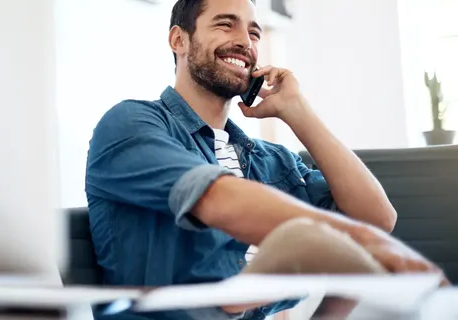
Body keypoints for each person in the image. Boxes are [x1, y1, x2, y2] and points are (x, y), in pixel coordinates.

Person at [85, 0, 448, 319]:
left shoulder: (272, 161)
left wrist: (298, 111)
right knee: (321, 240)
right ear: (179, 40)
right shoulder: (131, 124)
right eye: (225, 24)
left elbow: (376, 218)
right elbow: (220, 201)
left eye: (254, 32)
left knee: (342, 248)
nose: (245, 41)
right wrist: (344, 240)